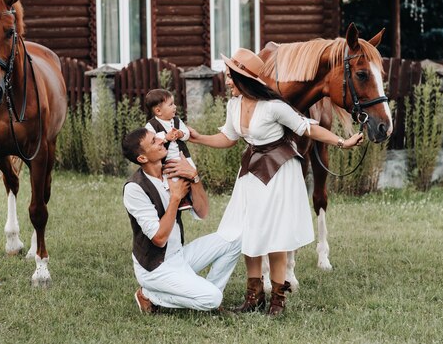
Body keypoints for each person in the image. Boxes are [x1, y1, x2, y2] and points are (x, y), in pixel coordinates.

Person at [188, 48, 364, 317]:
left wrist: (343, 141)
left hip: (280, 172)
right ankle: (254, 296)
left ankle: (278, 301)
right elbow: (227, 138)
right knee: (249, 231)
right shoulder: (234, 105)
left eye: (230, 76)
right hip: (251, 173)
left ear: (244, 78)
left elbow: (308, 128)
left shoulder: (274, 107)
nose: (226, 81)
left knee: (275, 235)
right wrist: (196, 137)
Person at [121, 127, 242, 314]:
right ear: (142, 158)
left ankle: (206, 294)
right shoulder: (135, 189)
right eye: (154, 141)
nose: (161, 140)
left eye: (157, 138)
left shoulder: (171, 170)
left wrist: (194, 176)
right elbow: (159, 238)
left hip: (179, 256)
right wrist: (175, 197)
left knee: (235, 239)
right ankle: (149, 295)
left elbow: (203, 212)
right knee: (213, 297)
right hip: (155, 268)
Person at [144, 89, 194, 210]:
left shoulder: (176, 121)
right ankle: (178, 199)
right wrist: (165, 138)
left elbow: (187, 133)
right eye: (171, 104)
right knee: (172, 177)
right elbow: (151, 141)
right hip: (167, 158)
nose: (175, 107)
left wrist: (181, 134)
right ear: (158, 111)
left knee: (192, 171)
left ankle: (191, 197)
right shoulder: (152, 125)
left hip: (182, 155)